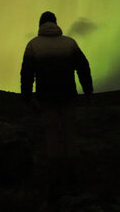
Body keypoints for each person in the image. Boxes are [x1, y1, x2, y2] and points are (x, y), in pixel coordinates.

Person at [20, 11, 93, 198]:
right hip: (68, 95)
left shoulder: (33, 45)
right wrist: (88, 92)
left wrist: (26, 98)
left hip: (46, 98)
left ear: (40, 24)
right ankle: (74, 178)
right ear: (55, 23)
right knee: (70, 133)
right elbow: (83, 68)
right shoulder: (70, 43)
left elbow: (26, 74)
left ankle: (55, 180)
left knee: (52, 135)